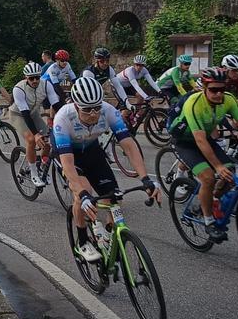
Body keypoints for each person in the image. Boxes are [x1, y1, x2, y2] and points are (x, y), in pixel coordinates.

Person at [54, 76, 159, 262]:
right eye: (87, 110)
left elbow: (129, 145)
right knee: (83, 194)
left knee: (113, 197)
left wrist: (145, 179)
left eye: (97, 107)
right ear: (76, 106)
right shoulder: (63, 117)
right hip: (71, 154)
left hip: (93, 151)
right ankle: (83, 241)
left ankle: (111, 236)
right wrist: (82, 193)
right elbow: (68, 164)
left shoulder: (109, 111)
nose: (94, 113)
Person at [168, 67, 238, 243]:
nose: (218, 94)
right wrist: (218, 166)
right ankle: (209, 221)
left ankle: (206, 201)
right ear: (204, 87)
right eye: (213, 89)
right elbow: (200, 140)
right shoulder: (194, 103)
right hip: (185, 141)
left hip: (205, 137)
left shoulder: (228, 100)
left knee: (230, 177)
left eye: (222, 89)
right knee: (209, 177)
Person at [12, 62, 59, 187]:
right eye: (31, 78)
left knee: (48, 141)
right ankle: (33, 174)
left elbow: (56, 105)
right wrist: (36, 134)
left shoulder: (46, 85)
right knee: (32, 139)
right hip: (18, 115)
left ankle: (42, 167)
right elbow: (25, 114)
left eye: (37, 77)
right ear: (25, 77)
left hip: (33, 113)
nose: (34, 80)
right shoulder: (19, 89)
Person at [82, 47, 131, 114]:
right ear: (96, 61)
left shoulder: (109, 69)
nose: (105, 63)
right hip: (83, 93)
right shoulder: (89, 72)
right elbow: (91, 91)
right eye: (102, 61)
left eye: (107, 61)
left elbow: (118, 86)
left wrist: (127, 102)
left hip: (95, 94)